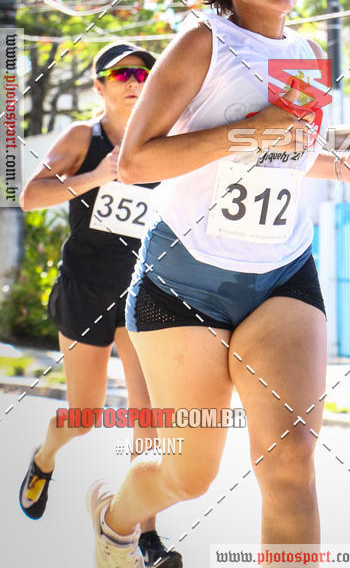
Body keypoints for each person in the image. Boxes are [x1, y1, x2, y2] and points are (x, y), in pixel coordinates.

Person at [86, 0, 350, 568]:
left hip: (283, 275)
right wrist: (248, 131)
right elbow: (137, 161)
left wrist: (349, 168)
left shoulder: (311, 55)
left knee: (290, 464)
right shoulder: (202, 43)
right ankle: (116, 520)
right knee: (188, 476)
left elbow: (286, 155)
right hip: (184, 282)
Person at [18, 41, 183, 568]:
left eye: (144, 72)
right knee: (85, 414)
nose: (135, 80)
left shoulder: (166, 139)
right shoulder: (80, 138)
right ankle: (44, 459)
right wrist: (97, 175)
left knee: (149, 416)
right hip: (86, 289)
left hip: (143, 292)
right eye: (121, 73)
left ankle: (144, 534)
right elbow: (29, 195)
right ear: (100, 85)